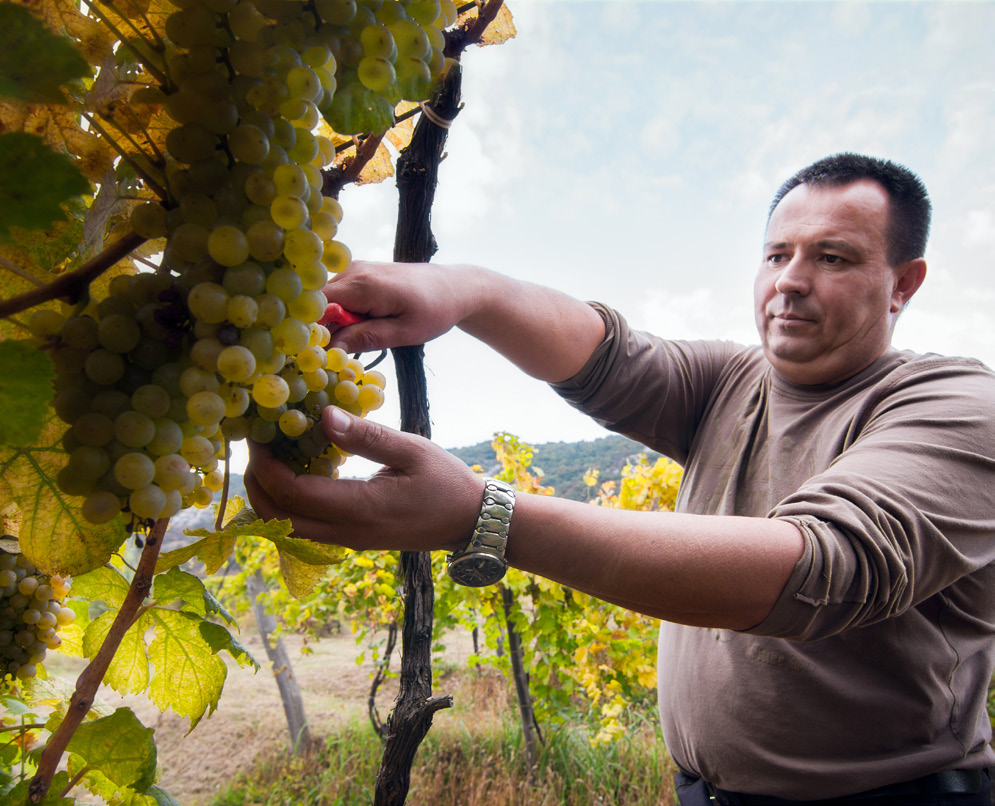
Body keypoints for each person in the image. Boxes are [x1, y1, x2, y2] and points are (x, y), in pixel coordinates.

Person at [245, 153, 995, 805]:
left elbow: (827, 566)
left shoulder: (957, 405)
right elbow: (605, 355)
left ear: (902, 283)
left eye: (831, 258)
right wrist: (465, 292)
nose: (789, 283)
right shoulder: (734, 380)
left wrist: (483, 515)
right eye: (775, 255)